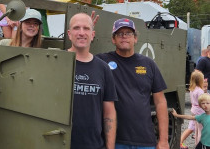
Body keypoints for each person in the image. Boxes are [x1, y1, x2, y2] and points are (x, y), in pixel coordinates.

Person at [97, 18, 169, 149]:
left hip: (145, 140)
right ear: (113, 39)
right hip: (116, 140)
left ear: (135, 38)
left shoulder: (149, 64)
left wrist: (163, 140)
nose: (124, 37)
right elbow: (79, 57)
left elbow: (160, 102)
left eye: (128, 33)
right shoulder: (102, 61)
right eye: (120, 34)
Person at [67, 13, 117, 149]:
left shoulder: (103, 68)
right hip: (60, 143)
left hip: (94, 145)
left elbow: (109, 112)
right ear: (69, 33)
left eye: (86, 28)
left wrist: (110, 147)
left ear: (93, 34)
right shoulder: (57, 62)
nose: (81, 33)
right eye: (76, 28)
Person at [180, 71, 205, 149]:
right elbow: (202, 102)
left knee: (192, 127)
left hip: (194, 110)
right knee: (201, 130)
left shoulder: (192, 89)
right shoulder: (200, 91)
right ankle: (200, 145)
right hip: (200, 111)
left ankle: (180, 141)